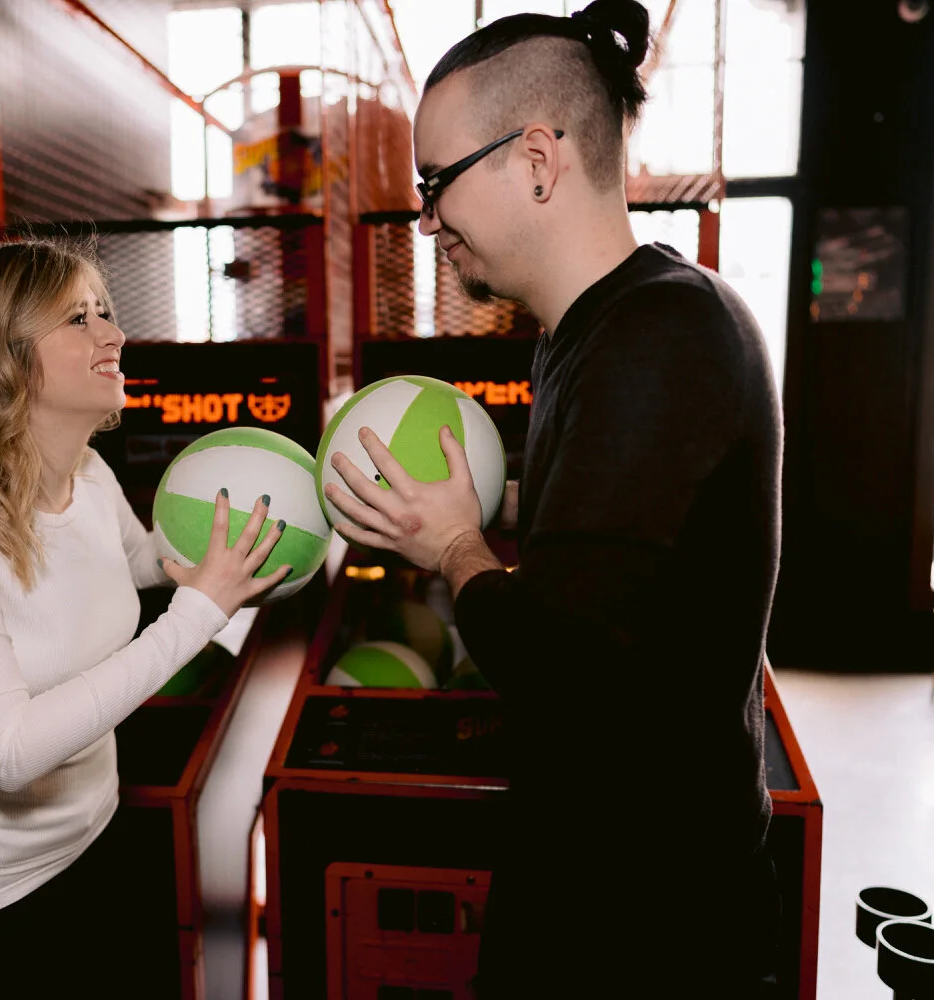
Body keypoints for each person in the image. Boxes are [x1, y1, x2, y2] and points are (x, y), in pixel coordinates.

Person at [325, 2, 784, 996]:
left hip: (652, 908)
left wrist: (452, 545)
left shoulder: (662, 337)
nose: (427, 218)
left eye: (436, 182)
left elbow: (562, 663)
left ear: (536, 157)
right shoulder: (595, 333)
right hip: (599, 866)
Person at [0, 238, 290, 984]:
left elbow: (140, 562)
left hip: (92, 835)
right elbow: (10, 750)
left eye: (106, 312)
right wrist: (198, 612)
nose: (113, 334)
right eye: (77, 319)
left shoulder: (86, 474)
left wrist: (259, 517)